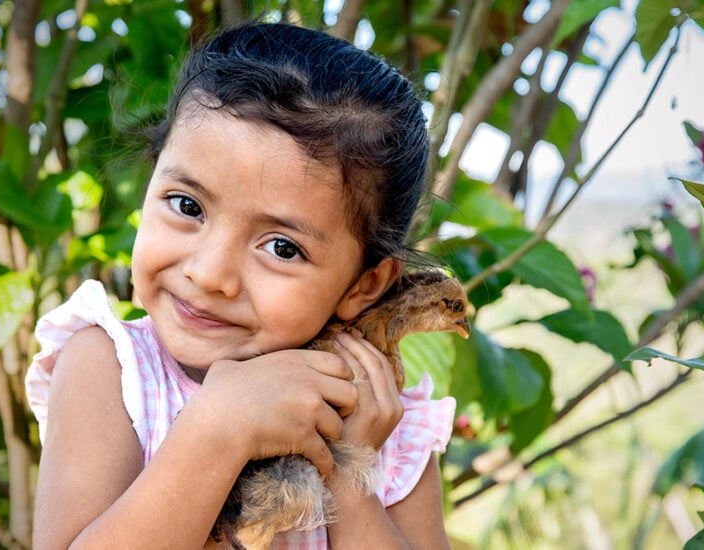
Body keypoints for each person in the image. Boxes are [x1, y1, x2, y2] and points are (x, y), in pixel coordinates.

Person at [26, 21, 456, 549]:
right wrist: (218, 428)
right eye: (188, 206)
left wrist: (349, 470)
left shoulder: (384, 426)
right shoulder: (111, 371)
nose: (209, 275)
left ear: (364, 285)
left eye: (281, 247)